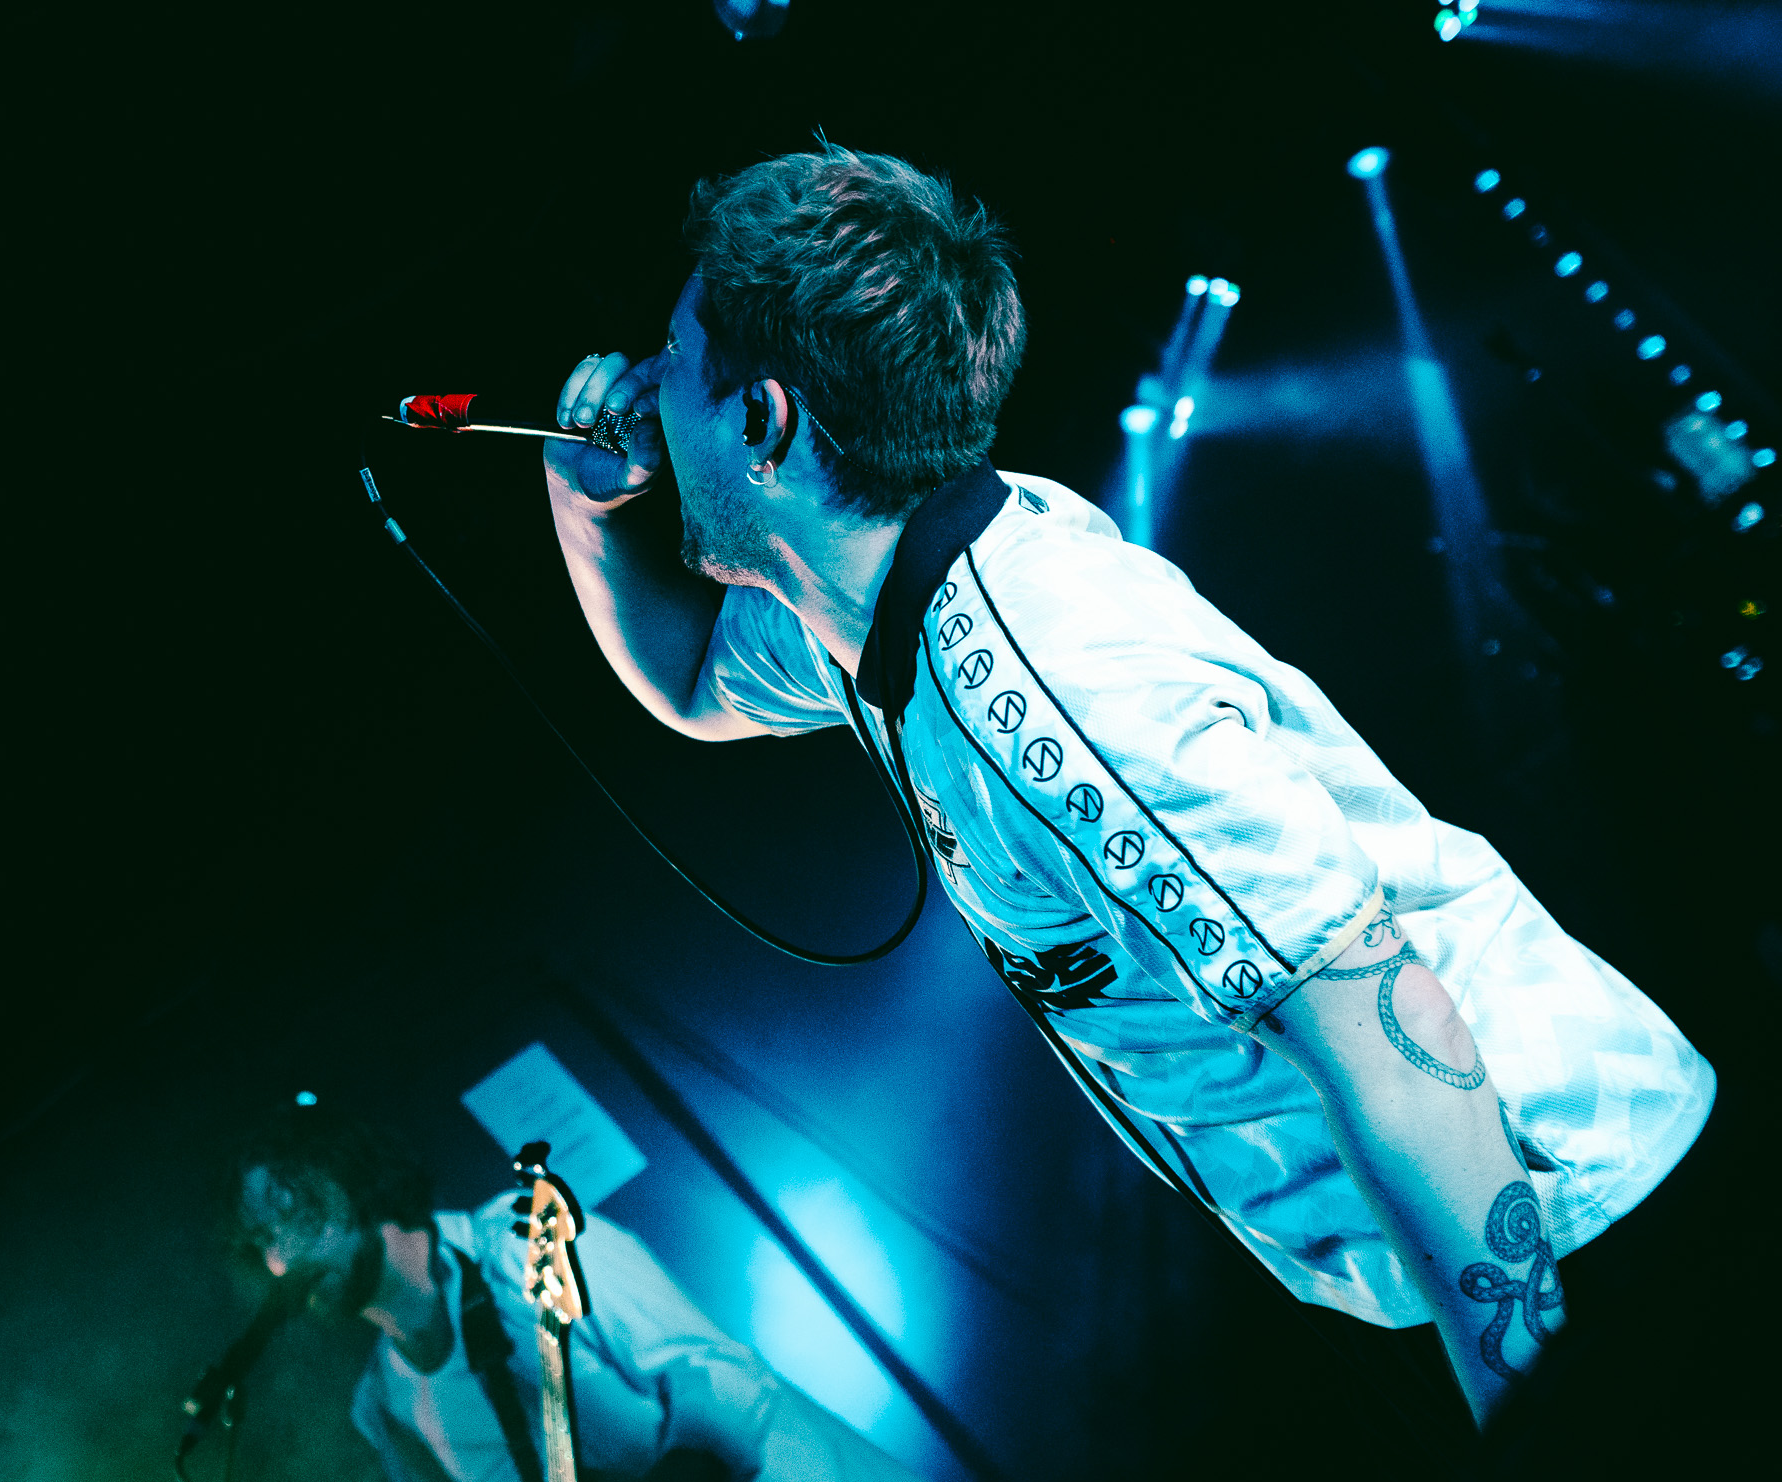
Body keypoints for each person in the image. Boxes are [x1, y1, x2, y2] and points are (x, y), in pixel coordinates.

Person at [541, 142, 1716, 1438]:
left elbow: (1385, 1028)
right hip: (1473, 1252)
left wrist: (1537, 1408)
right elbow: (692, 685)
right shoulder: (865, 603)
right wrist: (583, 507)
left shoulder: (1059, 681)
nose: (642, 387)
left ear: (762, 421)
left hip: (1564, 1224)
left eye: (672, 357)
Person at [225, 1104, 926, 1482]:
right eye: (261, 1241)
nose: (281, 1259)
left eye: (294, 1213)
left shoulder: (523, 1241)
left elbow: (719, 1380)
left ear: (353, 1181)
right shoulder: (384, 1407)